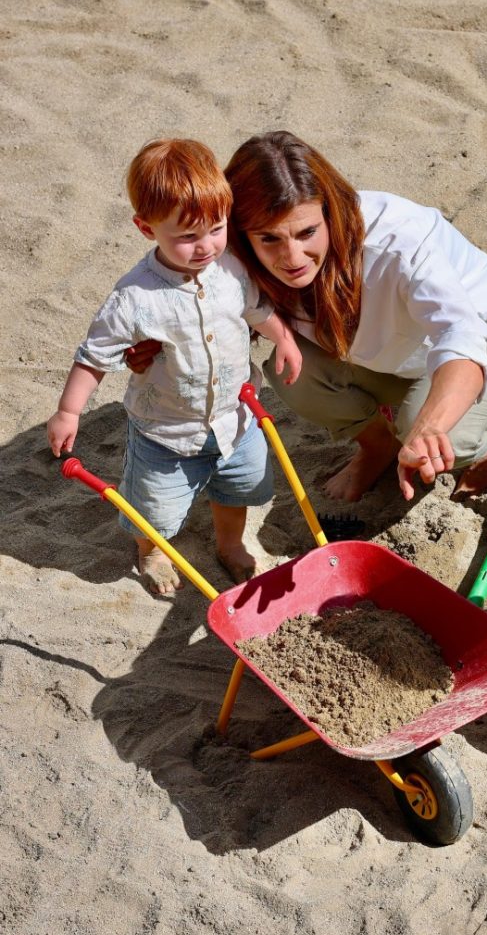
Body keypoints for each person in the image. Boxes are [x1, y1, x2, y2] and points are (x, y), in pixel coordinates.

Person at [130, 131, 487, 502]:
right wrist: (162, 339)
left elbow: (465, 337)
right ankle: (378, 447)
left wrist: (429, 427)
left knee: (442, 435)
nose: (291, 259)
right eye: (269, 239)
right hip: (390, 356)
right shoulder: (231, 248)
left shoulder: (400, 242)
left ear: (331, 212)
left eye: (307, 233)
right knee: (291, 370)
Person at [47, 138, 302, 595]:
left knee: (238, 488)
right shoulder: (134, 298)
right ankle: (151, 550)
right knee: (156, 508)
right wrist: (69, 411)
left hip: (236, 420)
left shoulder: (232, 269)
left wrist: (282, 338)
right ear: (147, 229)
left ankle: (230, 543)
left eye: (216, 229)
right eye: (187, 237)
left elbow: (256, 309)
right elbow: (94, 356)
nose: (205, 246)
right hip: (165, 431)